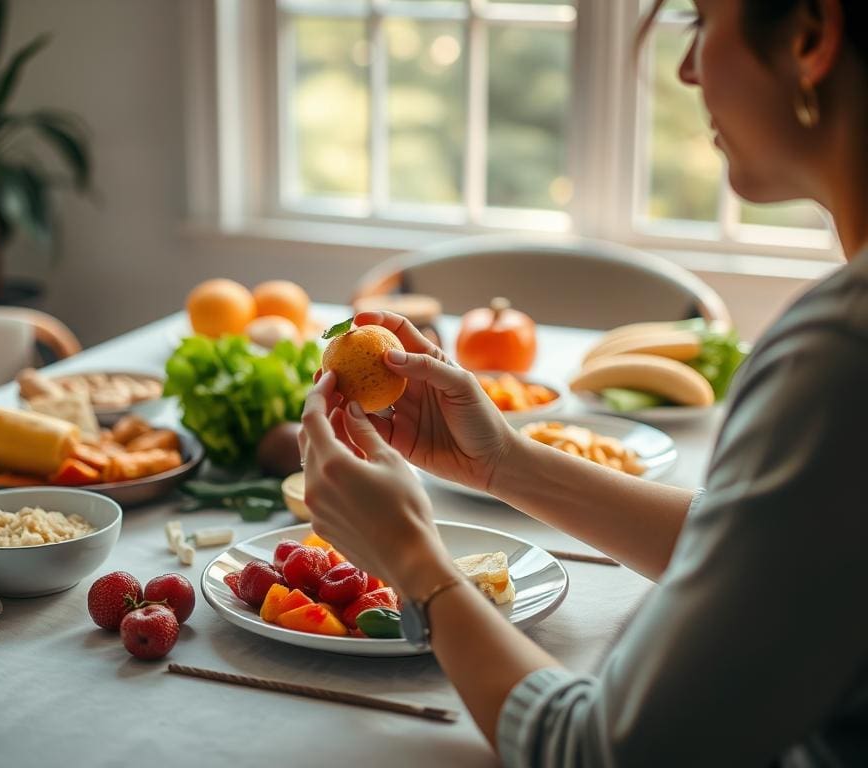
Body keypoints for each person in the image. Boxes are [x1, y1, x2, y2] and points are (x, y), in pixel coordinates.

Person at [298, 0, 868, 764]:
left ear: (810, 35)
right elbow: (783, 555)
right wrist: (502, 462)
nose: (686, 68)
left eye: (700, 21)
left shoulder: (838, 354)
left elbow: (602, 749)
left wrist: (413, 565)